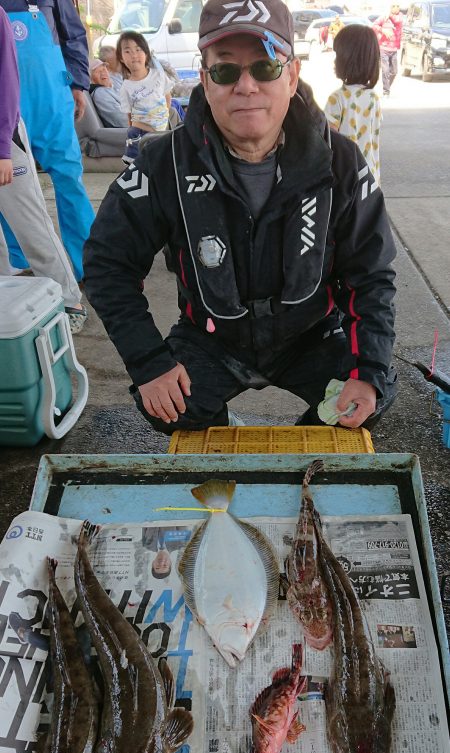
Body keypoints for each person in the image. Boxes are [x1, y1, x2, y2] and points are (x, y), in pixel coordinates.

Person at [83, 0, 397, 434]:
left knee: (367, 399)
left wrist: (368, 370)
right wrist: (149, 361)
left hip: (312, 334)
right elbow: (108, 264)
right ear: (206, 80)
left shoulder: (341, 161)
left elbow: (373, 273)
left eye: (265, 68)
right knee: (169, 408)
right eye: (226, 71)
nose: (245, 85)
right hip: (210, 337)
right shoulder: (161, 162)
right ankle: (220, 438)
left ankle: (305, 448)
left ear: (291, 75)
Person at [0, 6, 87, 333]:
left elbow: (6, 78)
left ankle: (74, 290)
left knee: (38, 210)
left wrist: (79, 82)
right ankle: (12, 293)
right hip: (10, 120)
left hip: (17, 123)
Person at [324, 24, 382, 185]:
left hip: (346, 181)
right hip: (370, 178)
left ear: (347, 58)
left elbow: (326, 142)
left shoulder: (338, 98)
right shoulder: (373, 97)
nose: (334, 61)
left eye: (337, 55)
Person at [116, 30, 174, 163]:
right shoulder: (126, 87)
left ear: (146, 53)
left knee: (161, 166)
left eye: (138, 49)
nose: (134, 55)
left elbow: (167, 97)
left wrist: (162, 119)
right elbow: (129, 116)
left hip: (160, 132)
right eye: (127, 51)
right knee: (138, 168)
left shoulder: (158, 75)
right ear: (121, 58)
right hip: (139, 133)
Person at [373, 4, 403, 96]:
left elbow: (397, 21)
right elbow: (374, 25)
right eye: (394, 6)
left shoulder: (400, 17)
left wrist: (389, 15)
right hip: (384, 48)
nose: (396, 7)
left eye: (398, 6)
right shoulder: (383, 17)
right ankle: (386, 91)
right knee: (385, 70)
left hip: (394, 49)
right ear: (390, 8)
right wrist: (383, 30)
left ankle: (387, 86)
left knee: (394, 71)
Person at [89, 58, 129, 128]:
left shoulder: (112, 86)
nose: (103, 73)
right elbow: (122, 120)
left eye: (104, 69)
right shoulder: (100, 93)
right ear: (90, 78)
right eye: (98, 71)